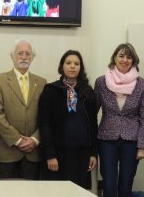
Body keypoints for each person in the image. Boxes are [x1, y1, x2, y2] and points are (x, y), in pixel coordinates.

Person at [94, 43, 144, 197]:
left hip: (131, 141)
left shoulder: (141, 84)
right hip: (106, 139)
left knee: (126, 186)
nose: (125, 60)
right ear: (114, 58)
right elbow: (93, 112)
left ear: (133, 61)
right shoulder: (101, 82)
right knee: (109, 185)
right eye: (121, 56)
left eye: (129, 57)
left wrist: (142, 146)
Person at [38, 50, 98, 189]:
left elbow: (93, 124)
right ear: (62, 66)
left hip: (82, 154)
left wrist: (93, 153)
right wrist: (50, 155)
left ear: (80, 68)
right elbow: (44, 124)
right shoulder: (50, 90)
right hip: (58, 154)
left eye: (76, 64)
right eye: (68, 63)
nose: (72, 66)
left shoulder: (87, 91)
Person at [0, 39, 46, 180]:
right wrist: (18, 140)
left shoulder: (41, 82)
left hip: (33, 152)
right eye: (20, 53)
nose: (24, 57)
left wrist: (34, 139)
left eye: (27, 54)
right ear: (12, 56)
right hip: (6, 151)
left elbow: (46, 116)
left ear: (32, 58)